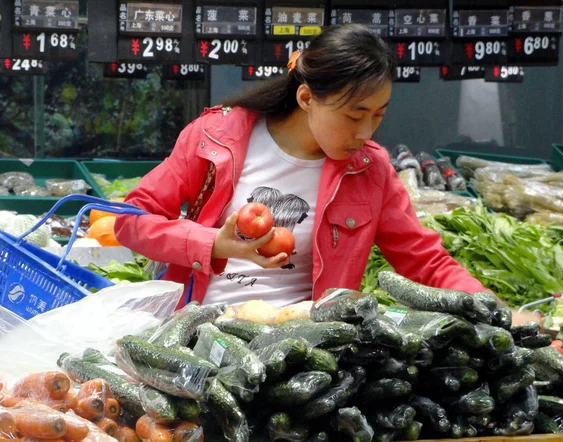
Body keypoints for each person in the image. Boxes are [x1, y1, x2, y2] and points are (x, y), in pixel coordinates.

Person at [114, 24, 538, 324]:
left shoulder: (369, 170)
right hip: (195, 331)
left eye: (377, 116)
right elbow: (129, 220)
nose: (365, 132)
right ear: (306, 97)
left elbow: (426, 261)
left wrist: (496, 310)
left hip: (302, 351)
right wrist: (213, 243)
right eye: (354, 115)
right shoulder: (216, 136)